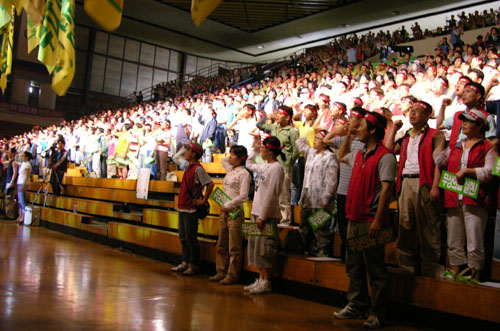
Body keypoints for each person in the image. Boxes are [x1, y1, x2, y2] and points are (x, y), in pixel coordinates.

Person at [334, 112, 397, 329]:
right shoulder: (359, 154)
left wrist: (378, 220)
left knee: (375, 269)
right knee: (354, 266)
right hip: (353, 218)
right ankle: (356, 304)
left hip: (370, 221)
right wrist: (349, 137)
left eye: (361, 126)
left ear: (372, 130)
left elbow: (387, 190)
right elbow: (341, 157)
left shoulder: (385, 157)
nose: (357, 127)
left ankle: (378, 312)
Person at [385, 100, 445, 276]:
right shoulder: (405, 136)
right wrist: (394, 130)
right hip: (405, 182)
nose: (412, 113)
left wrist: (435, 186)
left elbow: (439, 163)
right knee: (405, 226)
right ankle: (406, 271)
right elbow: (388, 149)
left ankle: (431, 270)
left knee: (429, 229)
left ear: (427, 116)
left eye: (418, 111)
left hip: (425, 184)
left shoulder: (436, 134)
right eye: (411, 110)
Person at [437, 109, 495, 282]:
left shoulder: (488, 147)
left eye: (470, 121)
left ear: (480, 126)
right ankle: (455, 268)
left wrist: (469, 171)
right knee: (453, 236)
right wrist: (440, 144)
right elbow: (440, 161)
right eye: (464, 121)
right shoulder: (456, 145)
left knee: (474, 237)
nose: (465, 124)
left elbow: (491, 171)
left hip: (475, 197)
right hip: (454, 196)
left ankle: (474, 271)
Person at [244, 136, 285, 294]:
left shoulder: (276, 168)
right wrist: (253, 150)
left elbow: (272, 194)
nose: (260, 149)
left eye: (262, 147)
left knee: (265, 249)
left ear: (269, 150)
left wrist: (262, 216)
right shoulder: (264, 166)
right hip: (257, 211)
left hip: (266, 215)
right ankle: (260, 278)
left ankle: (266, 280)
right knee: (256, 247)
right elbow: (249, 164)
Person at [209, 145, 251, 284]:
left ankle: (232, 274)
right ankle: (220, 271)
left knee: (234, 246)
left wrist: (228, 205)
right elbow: (224, 160)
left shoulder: (244, 173)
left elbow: (244, 195)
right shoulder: (230, 169)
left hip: (235, 211)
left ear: (241, 159)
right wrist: (233, 154)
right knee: (222, 243)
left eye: (234, 155)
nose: (230, 157)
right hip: (224, 211)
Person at [171, 141, 214, 276]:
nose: (186, 152)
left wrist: (203, 200)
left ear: (194, 154)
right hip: (183, 207)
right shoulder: (188, 167)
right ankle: (185, 261)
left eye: (189, 150)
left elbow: (210, 184)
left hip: (191, 208)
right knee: (183, 236)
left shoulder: (198, 169)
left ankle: (193, 264)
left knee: (191, 238)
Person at [296, 130, 338, 257]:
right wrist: (310, 128)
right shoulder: (311, 153)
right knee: (304, 226)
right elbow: (299, 142)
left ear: (325, 142)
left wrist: (326, 199)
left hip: (320, 200)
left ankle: (322, 252)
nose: (314, 140)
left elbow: (331, 181)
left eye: (318, 138)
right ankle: (305, 250)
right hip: (307, 196)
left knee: (319, 228)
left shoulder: (330, 157)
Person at [256, 106, 299, 225]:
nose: (278, 116)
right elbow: (259, 125)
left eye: (281, 114)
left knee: (283, 195)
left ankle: (286, 220)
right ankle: (272, 216)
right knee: (269, 193)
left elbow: (296, 150)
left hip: (284, 167)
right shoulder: (274, 127)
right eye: (278, 114)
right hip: (271, 165)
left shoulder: (291, 131)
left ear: (288, 117)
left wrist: (288, 163)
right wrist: (267, 116)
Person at [16, 152, 32, 224]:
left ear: (27, 157)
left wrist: (24, 185)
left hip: (23, 183)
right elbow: (19, 163)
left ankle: (24, 217)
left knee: (22, 200)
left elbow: (27, 176)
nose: (21, 157)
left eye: (23, 156)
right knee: (20, 200)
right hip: (20, 182)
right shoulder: (24, 164)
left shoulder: (27, 165)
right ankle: (20, 215)